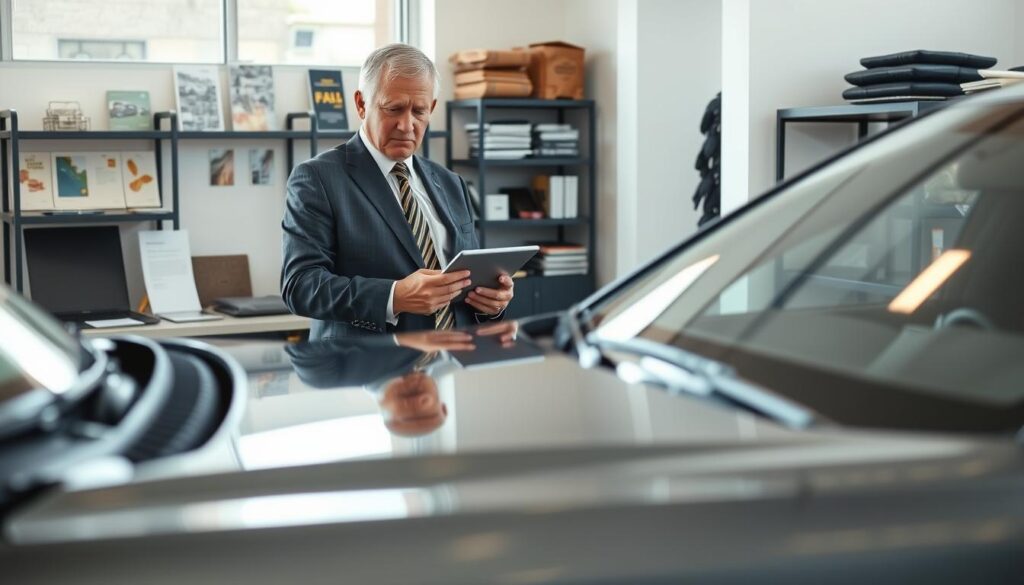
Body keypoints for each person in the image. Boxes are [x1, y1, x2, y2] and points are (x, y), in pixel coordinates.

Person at [281, 43, 514, 340]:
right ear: (362, 104)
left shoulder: (451, 183)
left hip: (449, 368)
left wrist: (491, 304)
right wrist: (394, 296)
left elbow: (469, 280)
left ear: (431, 108)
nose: (407, 125)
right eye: (393, 109)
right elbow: (300, 286)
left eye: (419, 111)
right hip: (364, 374)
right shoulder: (318, 178)